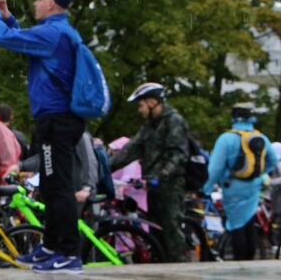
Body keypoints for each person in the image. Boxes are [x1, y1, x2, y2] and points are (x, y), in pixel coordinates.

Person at [0, 0, 85, 271]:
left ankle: (67, 251)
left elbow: (3, 40)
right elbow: (19, 36)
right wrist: (7, 17)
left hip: (58, 119)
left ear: (50, 3)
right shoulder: (56, 32)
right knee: (51, 185)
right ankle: (52, 247)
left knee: (59, 186)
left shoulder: (54, 32)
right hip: (54, 118)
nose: (35, 3)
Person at [108, 82, 191, 262]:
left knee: (171, 233)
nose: (139, 109)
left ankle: (181, 273)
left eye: (141, 104)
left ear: (153, 101)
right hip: (153, 187)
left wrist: (161, 175)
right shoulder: (149, 125)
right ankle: (161, 268)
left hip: (170, 186)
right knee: (156, 233)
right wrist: (105, 168)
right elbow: (131, 150)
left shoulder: (173, 121)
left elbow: (178, 155)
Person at [202, 103, 277, 261]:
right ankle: (250, 259)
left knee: (236, 225)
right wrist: (259, 175)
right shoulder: (261, 137)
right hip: (253, 187)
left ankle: (239, 261)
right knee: (249, 222)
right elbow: (272, 160)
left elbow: (215, 168)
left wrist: (207, 188)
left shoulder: (226, 139)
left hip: (233, 188)